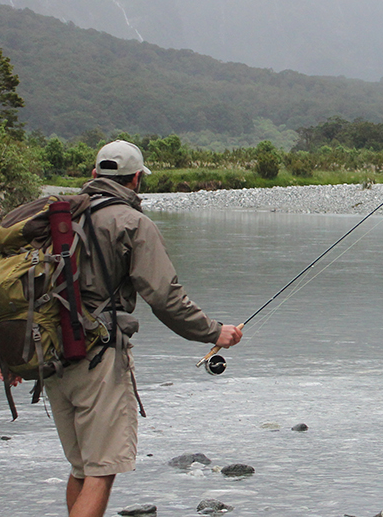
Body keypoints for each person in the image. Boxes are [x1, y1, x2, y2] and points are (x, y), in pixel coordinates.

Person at [45, 139, 242, 517]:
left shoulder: (60, 215)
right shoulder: (133, 223)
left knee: (82, 466)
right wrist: (215, 332)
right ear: (136, 179)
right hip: (97, 357)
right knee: (102, 469)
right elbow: (166, 298)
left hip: (51, 352)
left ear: (94, 175)